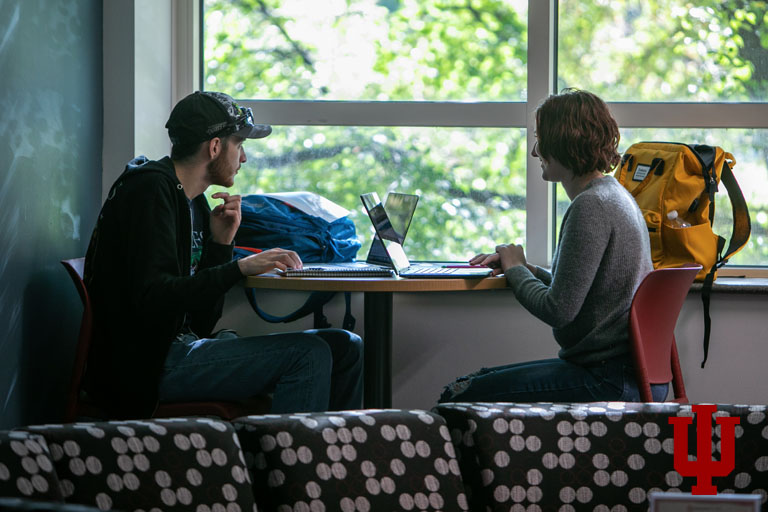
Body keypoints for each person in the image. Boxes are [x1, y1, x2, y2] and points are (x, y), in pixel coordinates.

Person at [84, 91, 363, 419]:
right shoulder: (149, 192)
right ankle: (291, 466)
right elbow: (154, 297)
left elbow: (200, 319)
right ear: (215, 147)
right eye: (239, 146)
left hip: (181, 347)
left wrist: (220, 244)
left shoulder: (195, 203)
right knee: (309, 354)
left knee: (345, 346)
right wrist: (238, 267)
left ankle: (338, 455)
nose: (242, 158)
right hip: (148, 367)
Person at [439, 89, 668, 404]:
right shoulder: (613, 196)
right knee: (473, 383)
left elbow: (558, 309)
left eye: (540, 140)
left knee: (458, 394)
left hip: (608, 379)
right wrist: (525, 269)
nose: (535, 152)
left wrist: (517, 268)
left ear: (563, 142)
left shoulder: (592, 207)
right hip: (629, 375)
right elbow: (579, 290)